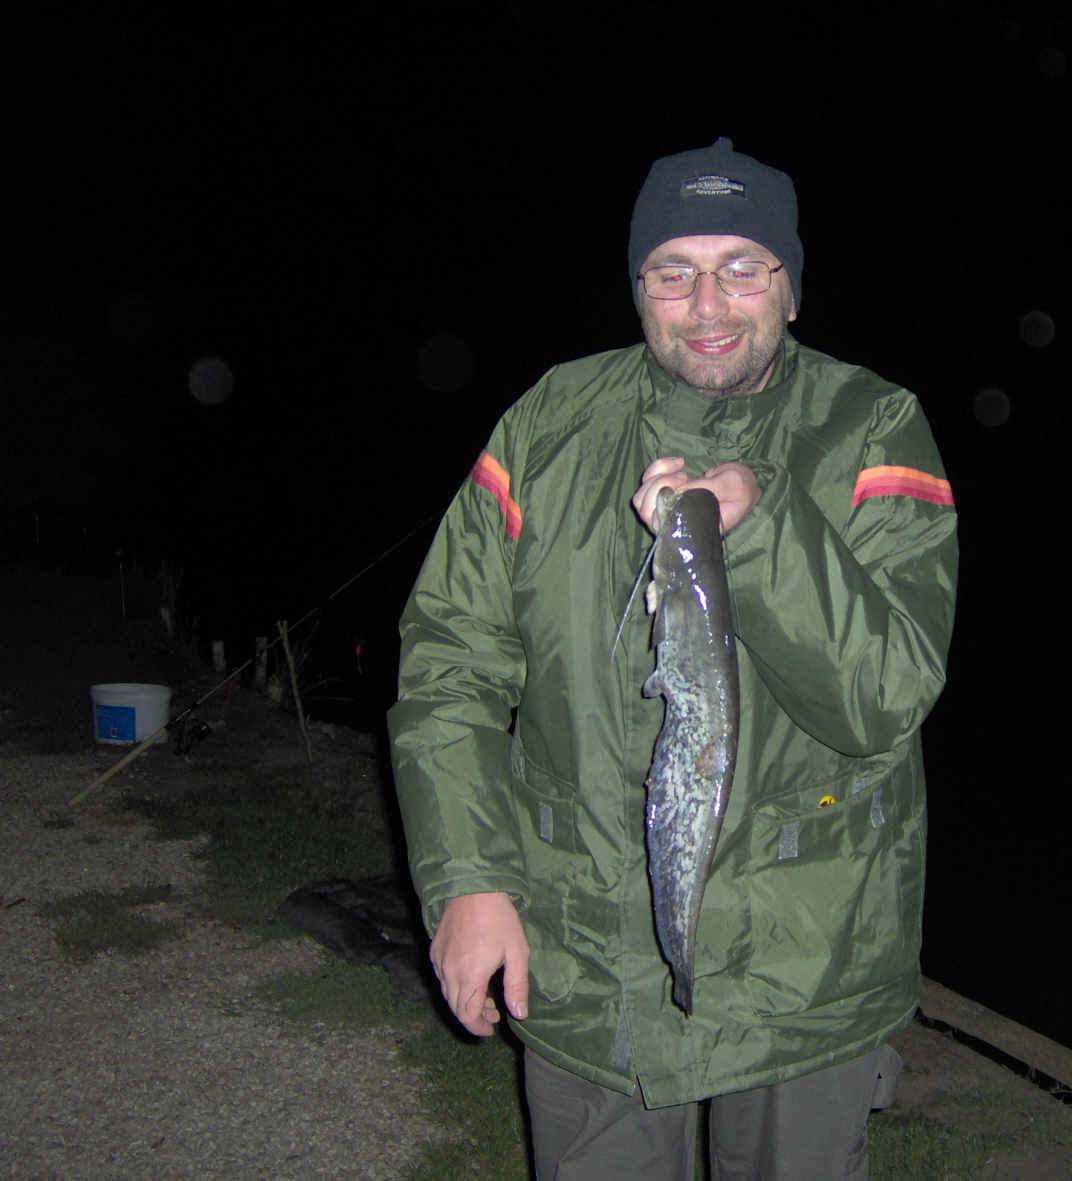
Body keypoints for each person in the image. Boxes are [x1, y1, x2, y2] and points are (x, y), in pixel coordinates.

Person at [388, 136, 957, 1179]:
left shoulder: (875, 427)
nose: (706, 305)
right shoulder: (546, 423)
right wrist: (469, 880)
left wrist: (763, 529)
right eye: (672, 272)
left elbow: (885, 693)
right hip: (584, 950)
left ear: (791, 288)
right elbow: (448, 668)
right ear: (636, 288)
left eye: (741, 267)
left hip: (807, 966)